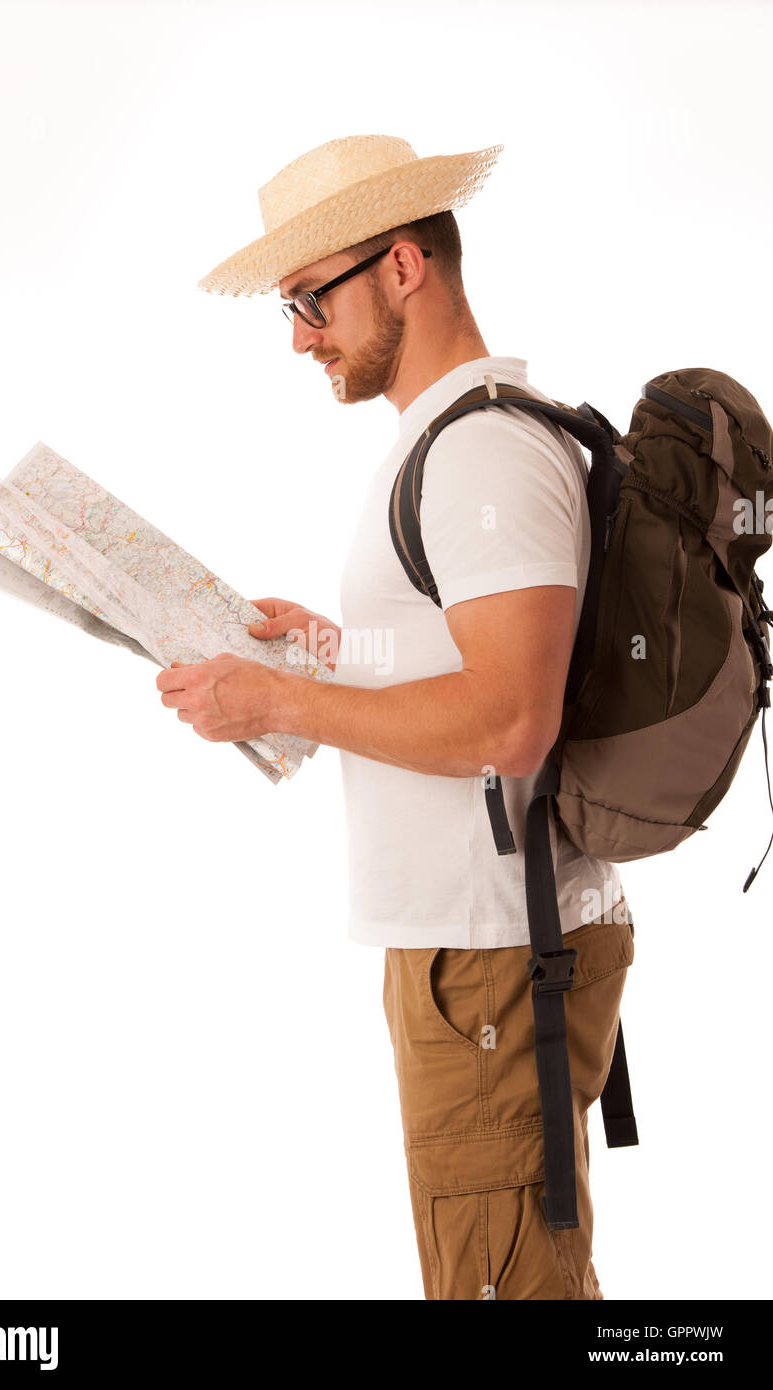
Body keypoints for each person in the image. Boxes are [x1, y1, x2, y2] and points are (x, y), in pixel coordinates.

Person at [158, 134, 635, 1300]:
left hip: (486, 954)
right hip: (471, 948)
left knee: (503, 1288)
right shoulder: (450, 443)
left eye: (310, 298)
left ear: (404, 265)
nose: (298, 336)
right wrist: (333, 648)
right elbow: (466, 656)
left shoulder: (479, 451)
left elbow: (510, 717)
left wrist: (277, 697)